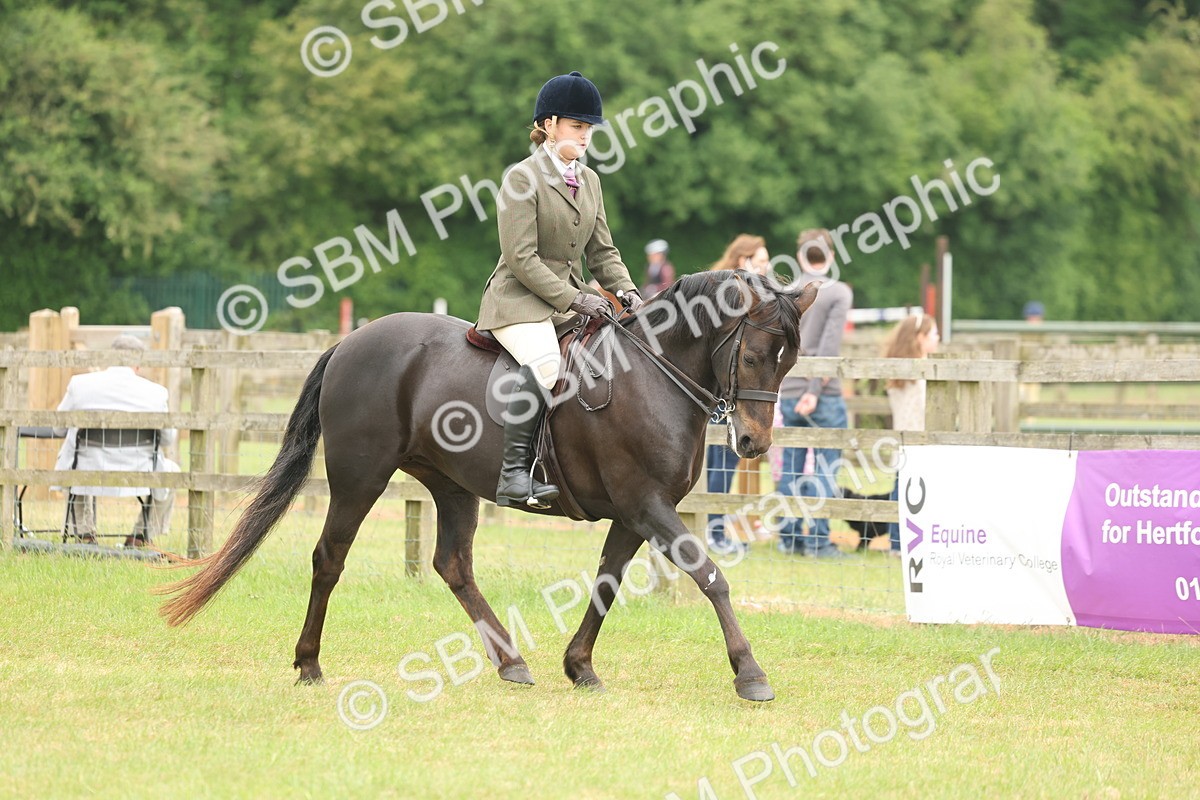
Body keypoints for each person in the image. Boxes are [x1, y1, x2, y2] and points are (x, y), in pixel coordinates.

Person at [477, 71, 643, 509]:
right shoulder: (521, 178)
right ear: (549, 125)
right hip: (518, 300)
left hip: (566, 303)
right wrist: (576, 298)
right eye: (577, 126)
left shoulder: (589, 181)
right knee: (550, 364)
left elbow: (603, 251)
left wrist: (628, 293)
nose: (585, 136)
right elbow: (520, 258)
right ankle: (513, 476)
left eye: (588, 129)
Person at [53, 335, 179, 546]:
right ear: (138, 363)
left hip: (88, 467)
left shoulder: (80, 384)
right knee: (173, 472)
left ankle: (84, 534)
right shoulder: (156, 393)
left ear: (110, 357)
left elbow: (58, 427)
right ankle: (140, 535)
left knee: (74, 464)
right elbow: (167, 438)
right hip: (139, 469)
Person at [776, 229, 852, 558]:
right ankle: (819, 540)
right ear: (831, 256)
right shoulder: (838, 292)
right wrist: (815, 390)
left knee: (790, 467)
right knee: (825, 465)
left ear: (800, 257)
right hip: (823, 391)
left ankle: (790, 538)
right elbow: (828, 347)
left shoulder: (786, 290)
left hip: (789, 386)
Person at [703, 234, 772, 553]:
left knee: (726, 463)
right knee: (718, 463)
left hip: (733, 393)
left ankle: (714, 530)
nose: (767, 266)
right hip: (719, 394)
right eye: (761, 261)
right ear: (743, 262)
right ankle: (713, 533)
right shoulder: (727, 295)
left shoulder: (754, 298)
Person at [882, 312, 939, 554]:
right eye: (934, 334)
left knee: (902, 489)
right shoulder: (919, 373)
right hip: (918, 440)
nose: (938, 339)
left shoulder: (900, 373)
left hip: (903, 440)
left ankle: (897, 541)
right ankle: (901, 541)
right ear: (920, 337)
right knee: (909, 493)